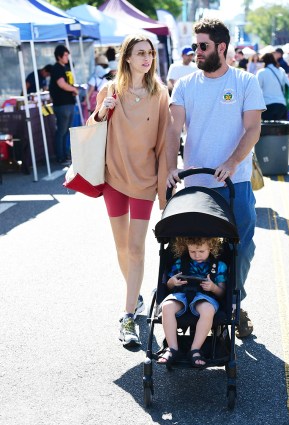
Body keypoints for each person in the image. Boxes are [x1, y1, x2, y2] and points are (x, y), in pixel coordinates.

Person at [166, 17, 266, 339]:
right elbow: (172, 129)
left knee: (242, 248)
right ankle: (192, 302)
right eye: (196, 46)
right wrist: (171, 166)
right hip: (197, 185)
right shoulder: (185, 85)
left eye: (203, 46)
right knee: (193, 249)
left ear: (221, 47)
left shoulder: (245, 82)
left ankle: (234, 304)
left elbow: (253, 128)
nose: (197, 51)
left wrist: (233, 161)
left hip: (234, 183)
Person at [87, 34, 169, 348]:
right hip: (113, 178)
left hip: (145, 181)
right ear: (128, 58)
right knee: (121, 247)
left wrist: (164, 190)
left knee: (136, 248)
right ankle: (133, 294)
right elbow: (91, 131)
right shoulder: (110, 90)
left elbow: (163, 144)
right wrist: (101, 112)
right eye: (140, 54)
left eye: (150, 53)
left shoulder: (160, 93)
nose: (147, 59)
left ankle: (128, 315)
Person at [157, 237, 227, 367]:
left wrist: (213, 287)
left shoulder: (219, 266)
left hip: (205, 296)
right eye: (192, 252)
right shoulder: (180, 262)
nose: (197, 255)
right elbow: (168, 285)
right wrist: (172, 282)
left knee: (208, 309)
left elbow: (222, 292)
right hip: (181, 293)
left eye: (201, 251)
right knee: (167, 306)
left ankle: (195, 350)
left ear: (210, 248)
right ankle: (172, 348)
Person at [49, 45, 78, 165]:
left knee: (66, 131)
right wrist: (74, 90)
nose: (67, 57)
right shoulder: (56, 68)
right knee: (61, 131)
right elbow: (62, 84)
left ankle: (65, 155)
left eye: (67, 54)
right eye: (65, 55)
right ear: (59, 56)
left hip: (69, 103)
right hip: (62, 104)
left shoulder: (65, 67)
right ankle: (60, 157)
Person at [256, 52, 289, 121]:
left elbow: (256, 90)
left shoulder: (261, 72)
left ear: (264, 62)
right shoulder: (281, 70)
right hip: (281, 104)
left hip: (267, 105)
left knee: (268, 130)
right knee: (281, 130)